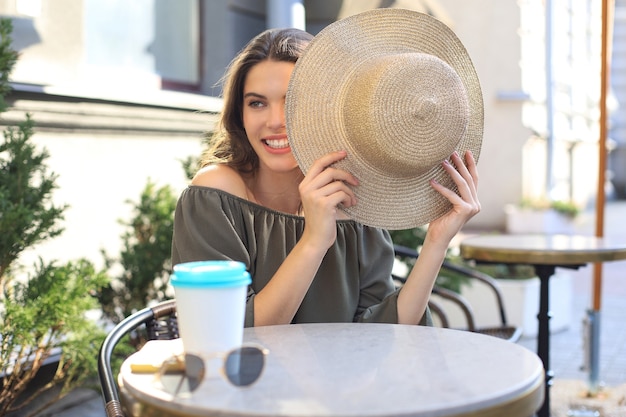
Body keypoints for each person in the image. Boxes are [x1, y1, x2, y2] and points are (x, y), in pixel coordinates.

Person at [172, 13, 481, 328]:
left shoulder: (354, 197)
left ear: (324, 109)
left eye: (292, 100)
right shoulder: (215, 197)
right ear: (239, 114)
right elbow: (230, 332)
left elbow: (384, 333)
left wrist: (437, 242)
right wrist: (314, 240)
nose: (275, 121)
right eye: (257, 103)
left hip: (340, 377)